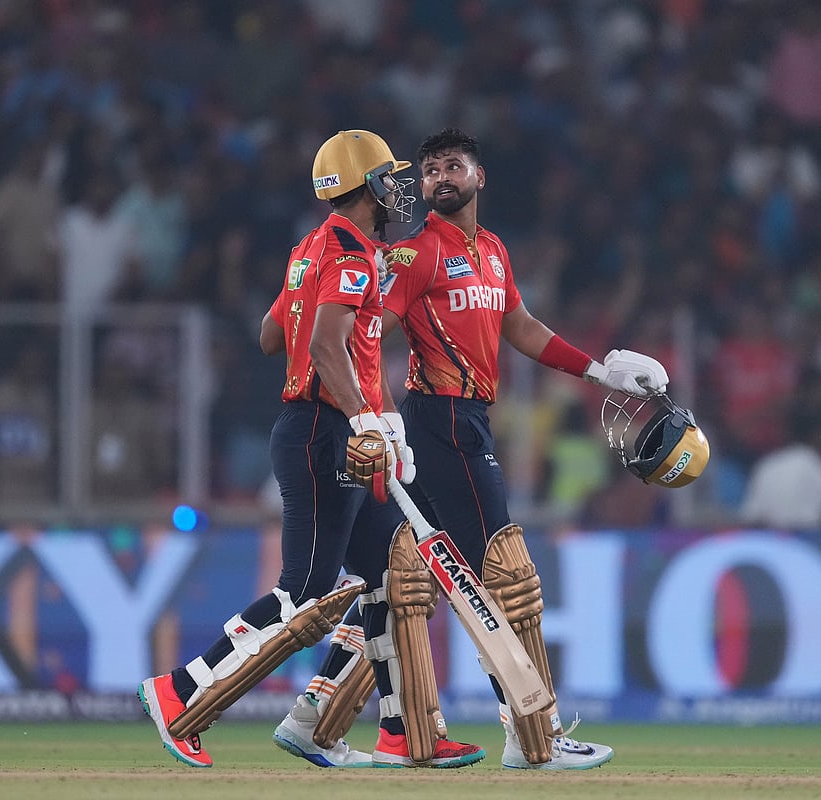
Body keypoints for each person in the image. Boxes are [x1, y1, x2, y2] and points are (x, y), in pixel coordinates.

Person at [280, 128, 668, 771]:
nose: (438, 177)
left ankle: (313, 717)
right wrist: (370, 414)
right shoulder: (415, 254)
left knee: (402, 581)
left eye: (452, 166)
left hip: (458, 422)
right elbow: (365, 326)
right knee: (507, 572)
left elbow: (520, 327)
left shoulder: (491, 250)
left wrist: (601, 372)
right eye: (429, 169)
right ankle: (534, 738)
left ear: (478, 177)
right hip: (443, 422)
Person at [140, 130, 482, 769]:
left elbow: (273, 335)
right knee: (304, 593)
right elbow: (324, 347)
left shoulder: (314, 247)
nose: (395, 189)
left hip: (320, 429)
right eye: (387, 178)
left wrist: (336, 308)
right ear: (366, 187)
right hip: (326, 434)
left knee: (389, 575)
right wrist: (366, 420)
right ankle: (177, 691)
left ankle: (397, 732)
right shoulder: (349, 254)